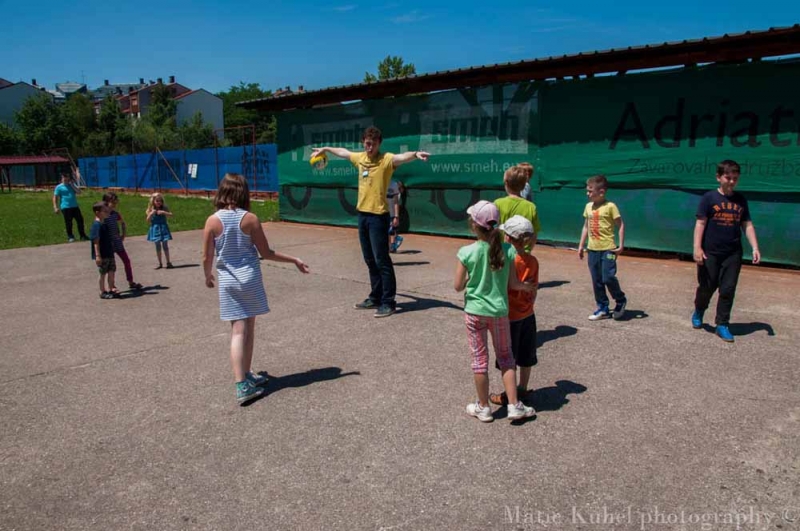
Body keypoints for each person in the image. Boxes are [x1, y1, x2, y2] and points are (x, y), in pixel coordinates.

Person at [202, 173, 310, 405]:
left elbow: (206, 256)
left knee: (239, 330)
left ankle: (245, 375)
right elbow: (266, 253)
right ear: (243, 193)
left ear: (222, 192)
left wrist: (207, 275)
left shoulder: (212, 221)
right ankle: (242, 382)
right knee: (247, 329)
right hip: (250, 280)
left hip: (229, 282)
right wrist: (294, 259)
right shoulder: (250, 219)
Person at [310, 126, 429, 317]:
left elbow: (402, 157)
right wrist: (325, 149)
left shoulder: (386, 160)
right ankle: (376, 297)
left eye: (373, 144)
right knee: (369, 259)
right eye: (367, 143)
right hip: (362, 216)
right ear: (363, 142)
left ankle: (388, 302)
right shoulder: (360, 158)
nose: (370, 147)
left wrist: (415, 154)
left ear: (379, 143)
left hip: (378, 217)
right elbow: (343, 152)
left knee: (382, 260)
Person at [455, 200, 536, 423]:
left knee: (479, 360)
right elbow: (513, 283)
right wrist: (526, 287)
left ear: (474, 225)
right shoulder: (508, 250)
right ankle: (514, 405)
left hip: (474, 312)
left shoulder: (466, 252)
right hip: (499, 312)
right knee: (507, 357)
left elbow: (458, 286)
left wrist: (472, 279)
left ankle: (483, 407)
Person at [692, 160, 760, 342]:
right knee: (707, 287)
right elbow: (700, 223)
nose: (731, 181)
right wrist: (697, 248)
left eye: (735, 178)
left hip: (733, 253)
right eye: (727, 177)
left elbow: (747, 225)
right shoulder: (709, 198)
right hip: (710, 252)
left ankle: (722, 324)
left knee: (728, 288)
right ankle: (699, 310)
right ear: (718, 177)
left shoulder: (740, 200)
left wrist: (755, 247)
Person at [488, 215, 539, 407]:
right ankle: (523, 388)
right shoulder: (532, 261)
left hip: (510, 316)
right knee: (526, 354)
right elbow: (534, 289)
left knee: (508, 358)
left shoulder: (507, 260)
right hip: (528, 314)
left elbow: (502, 285)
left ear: (508, 238)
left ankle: (509, 395)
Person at [578, 175, 627, 320]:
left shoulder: (610, 206)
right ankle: (603, 308)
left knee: (608, 277)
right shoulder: (588, 207)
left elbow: (621, 225)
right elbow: (586, 227)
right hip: (592, 249)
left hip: (608, 249)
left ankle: (620, 300)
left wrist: (621, 245)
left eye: (590, 191)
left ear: (601, 192)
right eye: (587, 190)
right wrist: (581, 245)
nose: (587, 193)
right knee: (596, 280)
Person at [103, 192, 143, 290]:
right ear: (106, 202)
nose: (115, 204)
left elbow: (123, 223)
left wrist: (123, 234)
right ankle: (112, 285)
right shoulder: (103, 215)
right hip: (108, 243)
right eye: (113, 202)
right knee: (111, 265)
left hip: (117, 241)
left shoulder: (115, 214)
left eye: (115, 202)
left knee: (126, 261)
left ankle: (131, 281)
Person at [494, 166, 541, 248]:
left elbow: (493, 231)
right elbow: (534, 235)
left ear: (506, 183)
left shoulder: (497, 203)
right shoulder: (531, 207)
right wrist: (527, 251)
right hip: (523, 252)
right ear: (524, 185)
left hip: (502, 251)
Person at [89, 202, 118, 299]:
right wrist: (98, 256)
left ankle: (111, 289)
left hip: (109, 252)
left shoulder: (104, 223)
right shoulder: (96, 225)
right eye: (105, 211)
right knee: (103, 273)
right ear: (97, 213)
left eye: (107, 210)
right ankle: (102, 291)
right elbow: (96, 242)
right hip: (103, 254)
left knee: (111, 271)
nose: (107, 212)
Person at [53, 173, 88, 242]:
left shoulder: (72, 185)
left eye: (67, 177)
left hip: (75, 206)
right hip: (65, 207)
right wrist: (55, 207)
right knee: (68, 222)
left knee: (80, 220)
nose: (66, 179)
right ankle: (70, 236)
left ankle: (82, 235)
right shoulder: (59, 187)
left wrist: (72, 185)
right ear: (62, 178)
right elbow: (55, 197)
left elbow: (79, 192)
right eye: (64, 178)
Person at [146, 193, 174, 269]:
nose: (159, 202)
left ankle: (168, 262)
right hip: (155, 229)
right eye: (157, 201)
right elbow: (147, 220)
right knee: (157, 246)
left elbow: (171, 215)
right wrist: (151, 214)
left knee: (165, 245)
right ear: (153, 201)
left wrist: (164, 212)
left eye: (160, 201)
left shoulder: (164, 208)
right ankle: (160, 263)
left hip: (163, 228)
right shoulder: (150, 209)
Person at [387, 179, 404, 253]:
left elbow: (396, 202)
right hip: (382, 213)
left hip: (392, 214)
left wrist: (396, 216)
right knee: (387, 231)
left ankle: (392, 246)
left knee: (391, 230)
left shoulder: (393, 186)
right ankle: (389, 246)